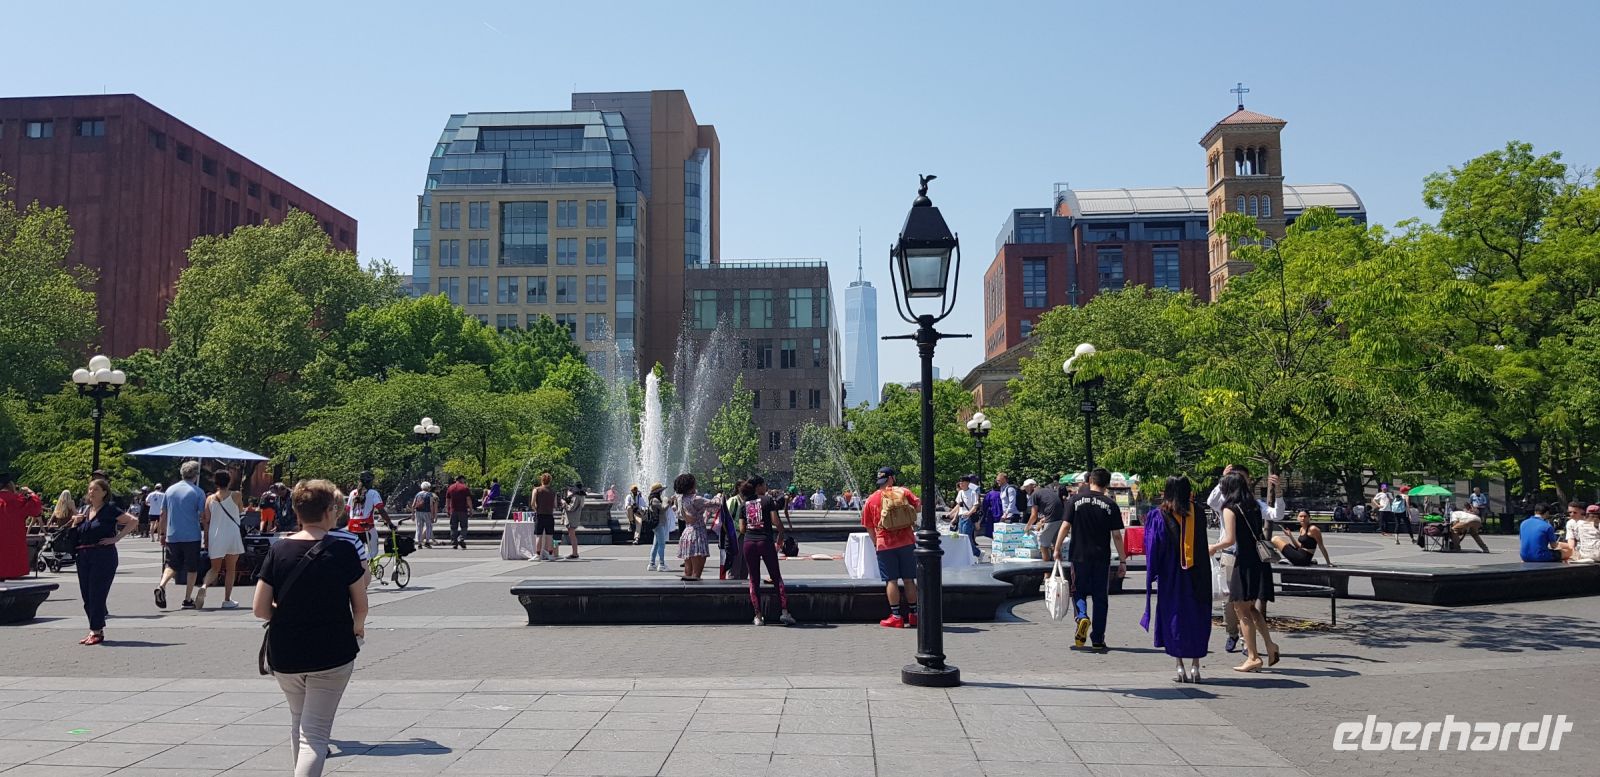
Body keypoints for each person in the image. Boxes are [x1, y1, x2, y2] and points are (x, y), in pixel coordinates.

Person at [253, 479, 369, 777]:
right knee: (315, 735)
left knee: (299, 721)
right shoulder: (343, 550)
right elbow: (361, 603)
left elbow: (259, 609)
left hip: (286, 652)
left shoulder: (279, 550)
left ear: (297, 511)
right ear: (330, 511)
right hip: (332, 650)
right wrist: (357, 628)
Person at [1205, 464, 1285, 653]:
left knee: (1242, 604)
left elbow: (1276, 514)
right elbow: (1210, 501)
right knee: (1234, 602)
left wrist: (1279, 495)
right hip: (1233, 556)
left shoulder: (1250, 504)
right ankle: (1236, 635)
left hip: (1242, 557)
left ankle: (1247, 645)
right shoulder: (1226, 503)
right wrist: (1221, 480)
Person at [1141, 476, 1211, 683]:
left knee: (1175, 617)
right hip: (1199, 575)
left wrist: (1153, 572)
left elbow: (1153, 548)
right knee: (1197, 617)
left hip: (1172, 576)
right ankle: (1196, 666)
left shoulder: (1158, 515)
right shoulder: (1198, 513)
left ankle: (1179, 666)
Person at [1059, 468, 1125, 652]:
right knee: (1100, 597)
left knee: (1078, 591)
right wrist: (1123, 561)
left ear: (1090, 481)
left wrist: (1056, 548)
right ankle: (1098, 638)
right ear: (1107, 484)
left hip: (1079, 555)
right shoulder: (1110, 504)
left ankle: (1081, 616)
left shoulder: (1075, 500)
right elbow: (1117, 536)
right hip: (1101, 557)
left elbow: (1065, 526)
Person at [71, 477, 137, 645]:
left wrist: (116, 538)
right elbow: (77, 534)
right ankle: (94, 629)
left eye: (96, 490)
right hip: (84, 555)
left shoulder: (110, 509)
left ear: (104, 493)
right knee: (86, 594)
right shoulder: (85, 510)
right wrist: (75, 523)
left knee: (97, 594)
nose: (91, 492)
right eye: (90, 489)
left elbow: (133, 521)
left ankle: (97, 631)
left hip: (103, 556)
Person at [861, 466, 919, 628]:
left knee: (891, 580)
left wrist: (875, 543)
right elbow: (918, 508)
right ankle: (914, 614)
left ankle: (896, 616)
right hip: (907, 542)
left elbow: (869, 526)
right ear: (892, 478)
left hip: (885, 544)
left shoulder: (871, 499)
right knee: (909, 579)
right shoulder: (904, 492)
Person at [739, 476, 796, 626]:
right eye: (764, 484)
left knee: (754, 579)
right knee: (776, 577)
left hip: (749, 543)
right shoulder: (768, 500)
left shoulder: (744, 504)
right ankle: (784, 612)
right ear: (758, 486)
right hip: (765, 541)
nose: (766, 487)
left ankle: (758, 616)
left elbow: (742, 529)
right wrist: (781, 536)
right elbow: (776, 522)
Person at [155, 460, 206, 610]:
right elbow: (203, 515)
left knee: (171, 564)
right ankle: (187, 598)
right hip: (192, 535)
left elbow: (163, 514)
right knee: (192, 567)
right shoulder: (197, 492)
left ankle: (162, 585)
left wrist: (162, 533)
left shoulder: (170, 490)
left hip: (173, 534)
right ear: (196, 475)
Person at [196, 470, 247, 610]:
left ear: (216, 482)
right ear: (229, 481)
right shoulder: (236, 495)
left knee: (214, 568)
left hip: (215, 535)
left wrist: (206, 539)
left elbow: (206, 520)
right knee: (231, 569)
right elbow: (241, 511)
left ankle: (204, 586)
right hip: (232, 534)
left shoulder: (210, 499)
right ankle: (227, 599)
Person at [1, 474, 43, 580]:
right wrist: (30, 493)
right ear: (10, 485)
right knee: (13, 590)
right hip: (13, 552)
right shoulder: (18, 500)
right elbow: (36, 509)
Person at [674, 474, 712, 580]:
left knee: (688, 571)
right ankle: (695, 594)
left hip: (687, 533)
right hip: (697, 534)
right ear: (691, 485)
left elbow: (679, 515)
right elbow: (715, 504)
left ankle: (685, 594)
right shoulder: (696, 499)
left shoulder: (681, 499)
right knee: (696, 573)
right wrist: (719, 496)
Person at [1025, 475, 1068, 562]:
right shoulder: (1046, 490)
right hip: (1061, 518)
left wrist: (1027, 527)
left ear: (1031, 486)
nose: (1025, 490)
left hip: (1052, 519)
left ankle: (1047, 573)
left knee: (1043, 544)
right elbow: (1051, 505)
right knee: (1056, 545)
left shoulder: (1034, 495)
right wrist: (1045, 519)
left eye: (1026, 488)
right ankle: (1059, 570)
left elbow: (1034, 515)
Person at [345, 472, 385, 560]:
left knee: (358, 552)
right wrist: (389, 523)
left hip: (352, 526)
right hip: (367, 526)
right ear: (370, 482)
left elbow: (347, 510)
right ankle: (365, 567)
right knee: (373, 552)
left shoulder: (352, 493)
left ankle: (359, 567)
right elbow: (381, 509)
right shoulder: (373, 493)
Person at [531, 472, 557, 562]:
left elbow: (532, 503)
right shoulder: (553, 492)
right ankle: (550, 554)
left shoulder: (536, 490)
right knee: (549, 536)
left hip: (539, 515)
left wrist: (536, 509)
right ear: (550, 481)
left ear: (541, 480)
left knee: (539, 536)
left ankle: (538, 555)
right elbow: (555, 505)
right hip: (549, 515)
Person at [953, 475, 981, 557]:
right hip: (961, 517)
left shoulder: (973, 492)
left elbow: (975, 505)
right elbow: (958, 505)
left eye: (962, 483)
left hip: (968, 517)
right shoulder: (960, 492)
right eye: (960, 483)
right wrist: (951, 514)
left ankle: (977, 553)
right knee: (961, 537)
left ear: (967, 483)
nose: (960, 484)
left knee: (967, 538)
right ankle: (967, 554)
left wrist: (969, 513)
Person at [645, 483, 670, 571]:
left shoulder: (654, 499)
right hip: (658, 524)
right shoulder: (655, 500)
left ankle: (652, 564)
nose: (662, 492)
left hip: (657, 524)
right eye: (661, 491)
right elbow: (663, 509)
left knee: (656, 545)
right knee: (662, 545)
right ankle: (662, 564)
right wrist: (668, 502)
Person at [445, 475, 472, 550]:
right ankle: (461, 538)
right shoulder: (465, 488)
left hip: (453, 511)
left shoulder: (450, 488)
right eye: (464, 479)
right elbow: (468, 499)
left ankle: (454, 543)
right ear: (461, 479)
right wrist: (471, 509)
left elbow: (447, 500)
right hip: (463, 510)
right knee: (464, 526)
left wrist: (447, 509)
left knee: (453, 527)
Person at [562, 482, 586, 560]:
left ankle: (575, 553)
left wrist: (564, 503)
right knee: (571, 534)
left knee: (572, 535)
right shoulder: (582, 496)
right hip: (575, 516)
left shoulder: (576, 496)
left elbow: (571, 508)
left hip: (572, 517)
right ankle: (574, 552)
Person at [411, 483, 437, 549]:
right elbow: (431, 505)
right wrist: (432, 515)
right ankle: (427, 542)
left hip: (418, 512)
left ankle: (419, 543)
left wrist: (413, 514)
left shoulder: (418, 494)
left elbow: (413, 505)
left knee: (419, 528)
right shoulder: (430, 494)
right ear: (428, 487)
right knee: (428, 527)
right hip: (427, 512)